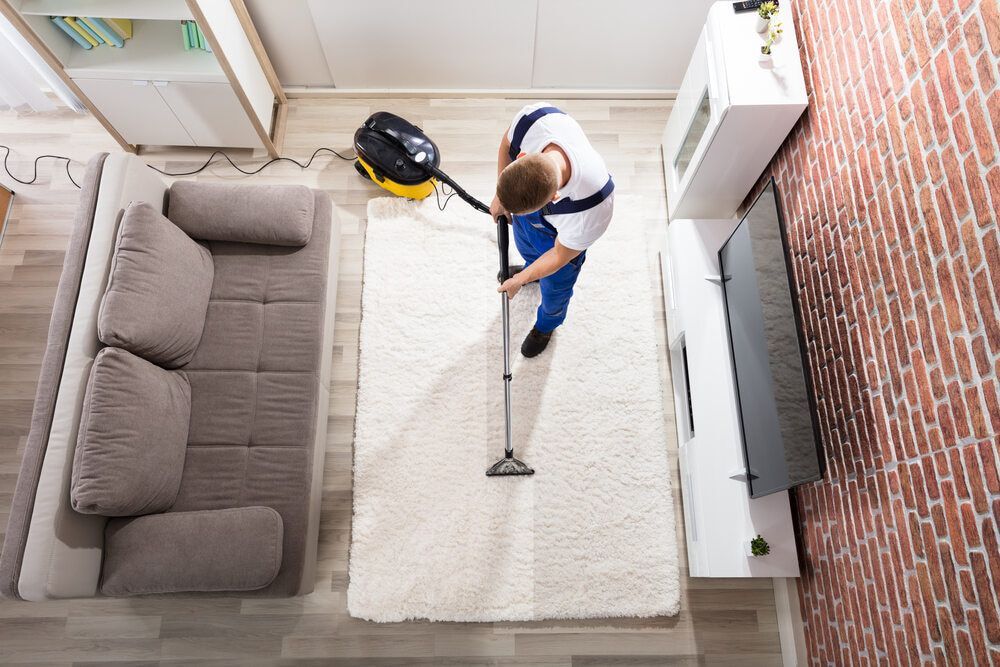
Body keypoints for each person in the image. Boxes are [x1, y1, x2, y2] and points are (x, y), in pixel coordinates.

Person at [490, 103, 615, 357]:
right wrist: (499, 195)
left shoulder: (593, 209)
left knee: (555, 291)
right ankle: (532, 269)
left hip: (562, 242)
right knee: (527, 248)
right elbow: (506, 141)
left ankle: (545, 327)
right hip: (536, 220)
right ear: (523, 157)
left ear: (553, 198)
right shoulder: (533, 121)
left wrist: (519, 280)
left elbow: (559, 255)